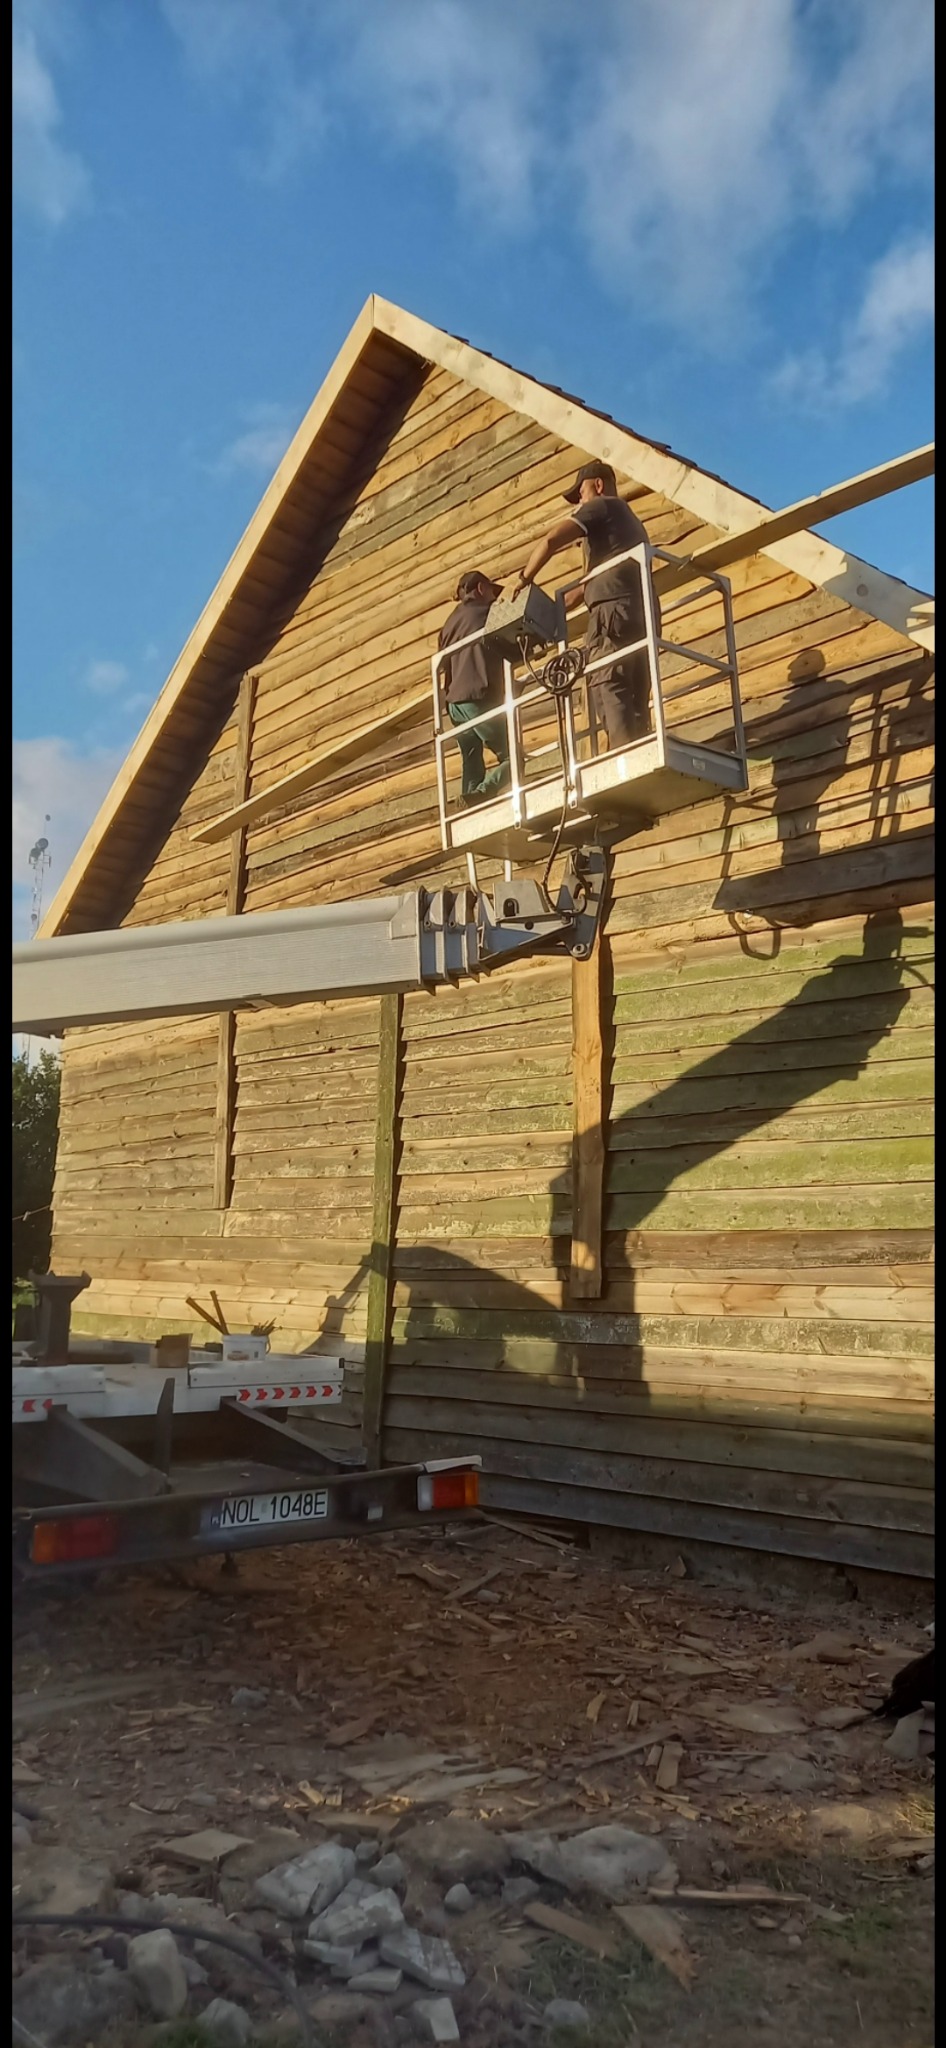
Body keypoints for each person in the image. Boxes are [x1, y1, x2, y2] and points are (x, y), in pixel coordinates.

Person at [514, 460, 658, 749]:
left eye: (581, 493)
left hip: (612, 613)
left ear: (598, 485)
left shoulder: (603, 505)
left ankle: (624, 754)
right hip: (640, 611)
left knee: (607, 681)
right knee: (634, 688)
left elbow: (552, 540)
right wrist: (548, 615)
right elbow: (585, 587)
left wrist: (523, 579)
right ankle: (640, 746)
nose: (580, 502)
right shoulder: (627, 524)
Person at [437, 570, 511, 805]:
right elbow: (512, 639)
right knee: (513, 756)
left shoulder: (449, 624)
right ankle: (483, 793)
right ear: (480, 589)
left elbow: (443, 663)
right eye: (491, 591)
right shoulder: (488, 613)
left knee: (471, 761)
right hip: (477, 697)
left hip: (454, 704)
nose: (494, 597)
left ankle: (469, 805)